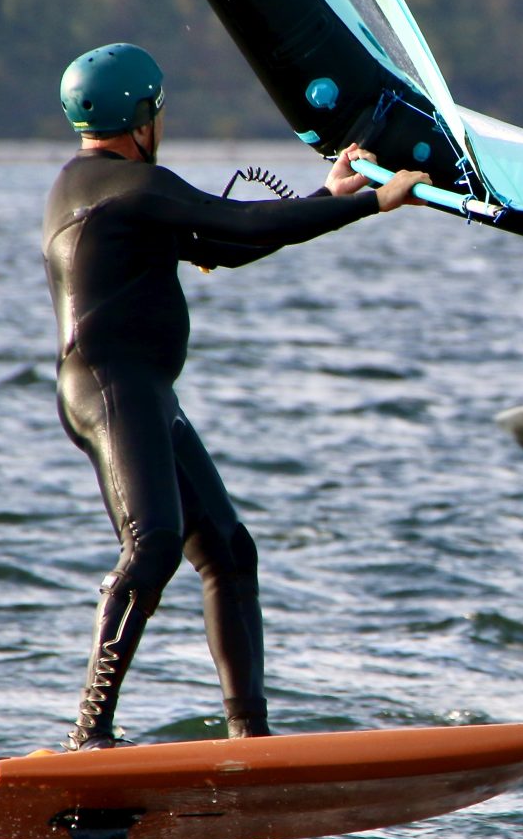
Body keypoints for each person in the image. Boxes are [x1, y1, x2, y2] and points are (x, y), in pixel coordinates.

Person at [44, 42, 428, 750]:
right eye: (158, 113)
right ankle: (89, 733)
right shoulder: (128, 187)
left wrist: (328, 196)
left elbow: (223, 245)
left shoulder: (108, 188)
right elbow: (247, 222)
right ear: (142, 118)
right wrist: (375, 201)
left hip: (144, 391)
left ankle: (250, 738)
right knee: (153, 545)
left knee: (227, 549)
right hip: (110, 389)